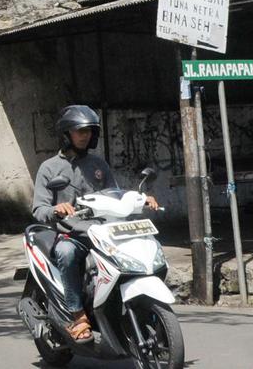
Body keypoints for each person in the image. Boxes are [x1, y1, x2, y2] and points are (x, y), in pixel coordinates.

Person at [31, 105, 157, 343]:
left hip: (104, 231)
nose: (85, 135)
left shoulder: (99, 165)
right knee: (67, 254)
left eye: (89, 130)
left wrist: (140, 199)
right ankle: (78, 316)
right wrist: (56, 209)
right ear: (67, 134)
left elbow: (116, 195)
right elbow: (39, 209)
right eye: (80, 131)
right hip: (71, 234)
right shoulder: (49, 168)